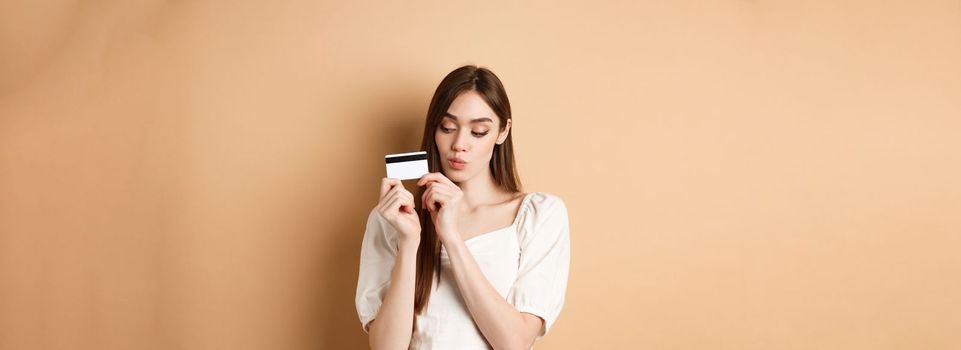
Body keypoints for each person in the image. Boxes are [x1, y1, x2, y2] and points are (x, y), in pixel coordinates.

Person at [355, 65, 571, 349]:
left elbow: (515, 343)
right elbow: (386, 348)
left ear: (503, 132)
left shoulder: (539, 215)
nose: (459, 144)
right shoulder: (393, 218)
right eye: (447, 128)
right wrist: (409, 244)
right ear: (434, 130)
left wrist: (452, 237)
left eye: (479, 131)